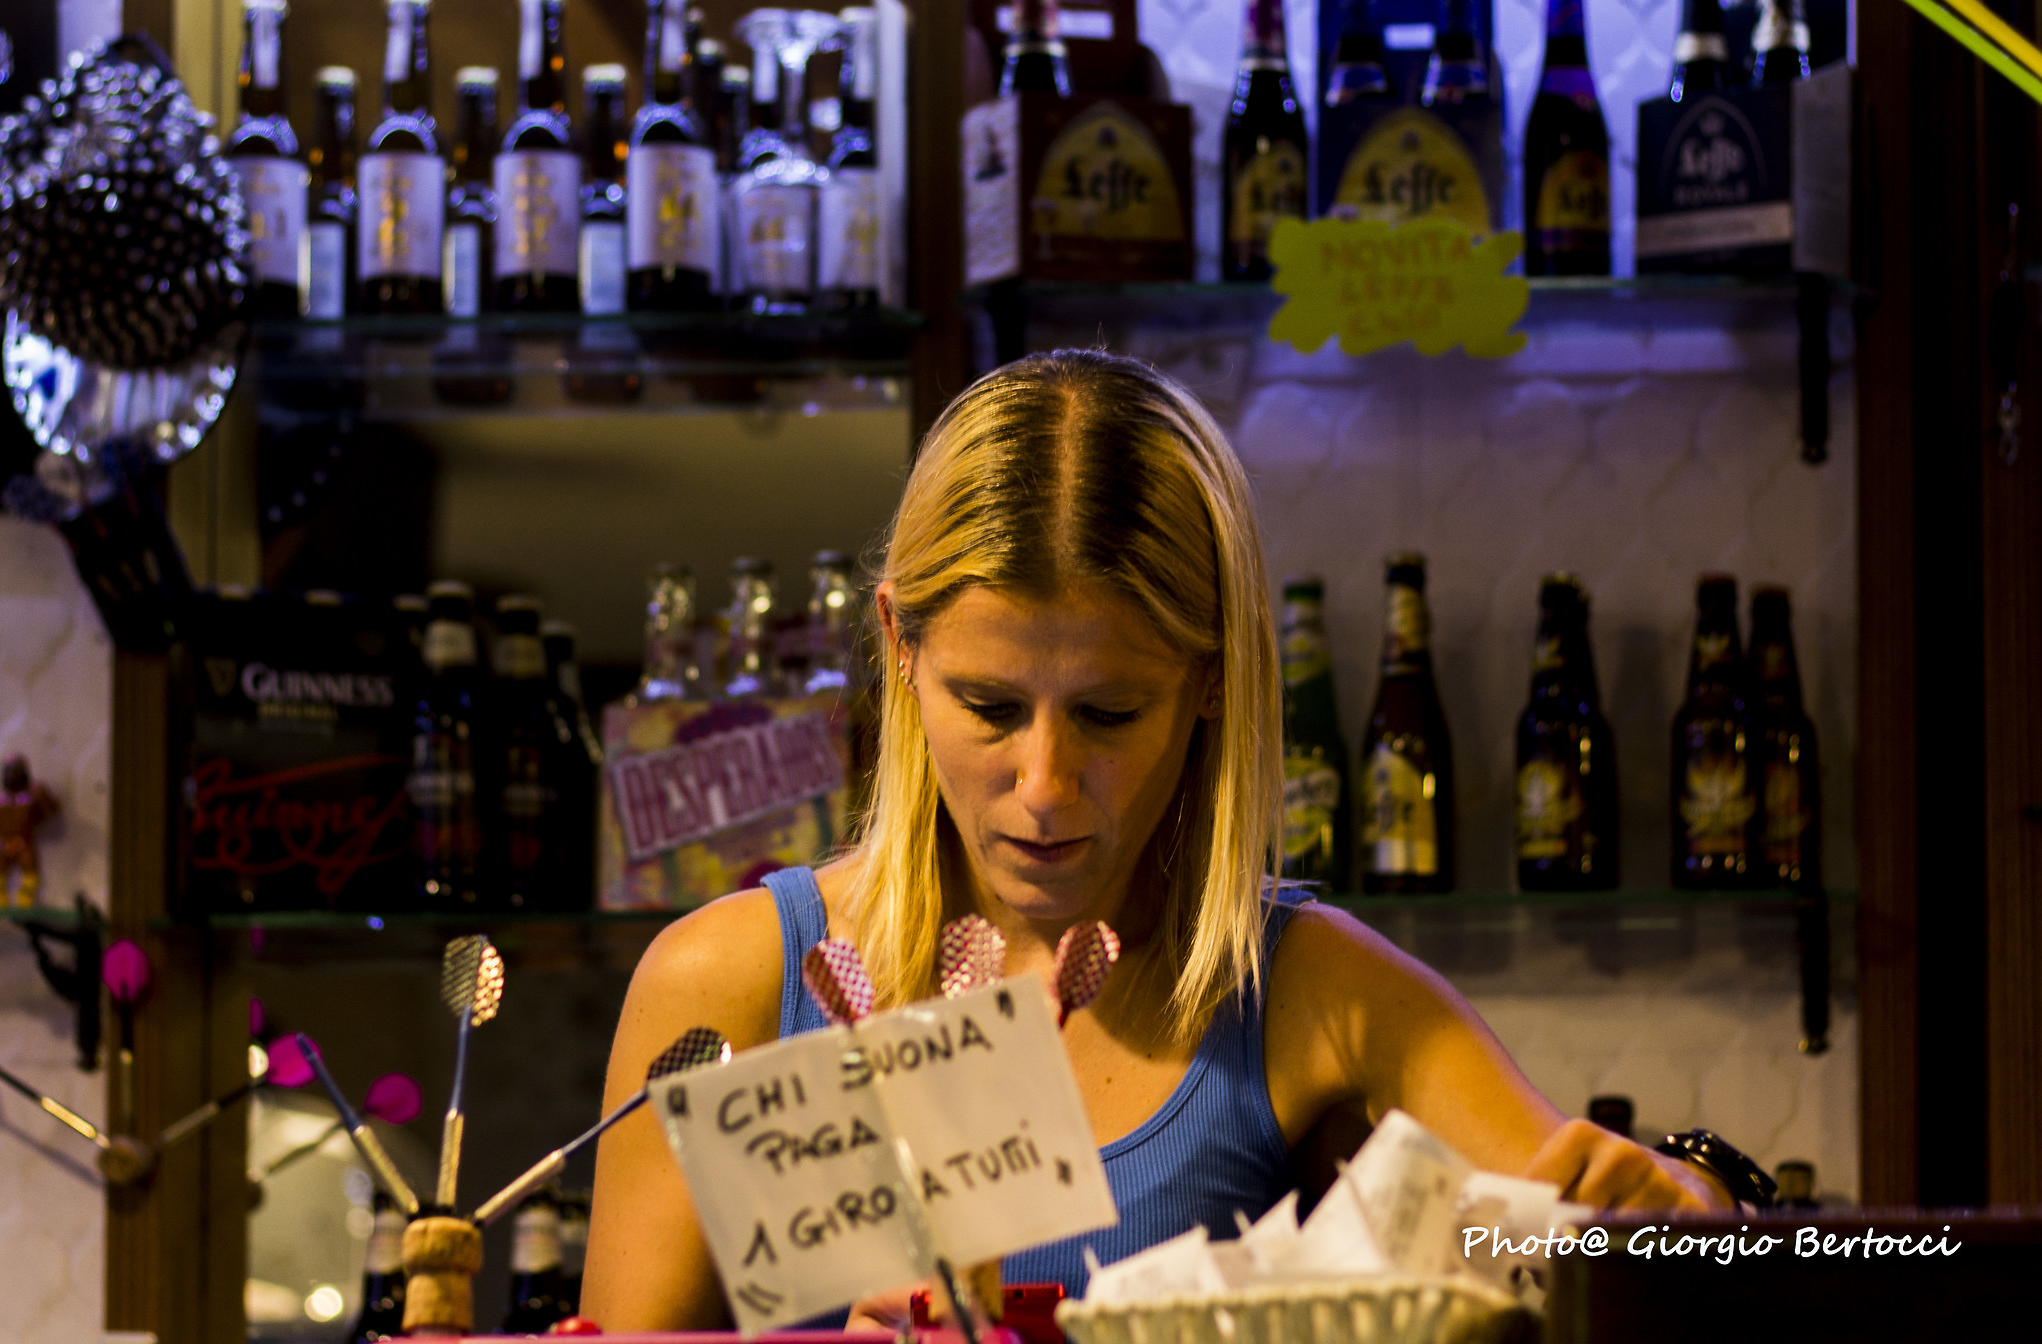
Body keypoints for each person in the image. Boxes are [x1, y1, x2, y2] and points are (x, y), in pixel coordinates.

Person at [584, 350, 1729, 1331]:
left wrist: (1689, 1215)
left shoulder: (1306, 987)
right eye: (987, 706)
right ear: (898, 645)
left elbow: (1629, 1243)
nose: (1042, 786)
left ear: (1214, 679)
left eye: (1107, 715)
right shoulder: (725, 986)